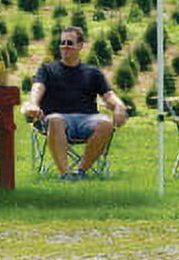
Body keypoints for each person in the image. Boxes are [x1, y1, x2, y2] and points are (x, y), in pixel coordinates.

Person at [23, 26, 127, 180]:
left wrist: (119, 106)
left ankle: (81, 172)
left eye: (70, 43)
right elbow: (37, 87)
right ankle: (65, 174)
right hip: (56, 119)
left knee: (106, 123)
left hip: (87, 119)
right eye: (62, 43)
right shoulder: (47, 69)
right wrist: (33, 104)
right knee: (56, 120)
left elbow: (108, 95)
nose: (65, 46)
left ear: (80, 46)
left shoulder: (93, 72)